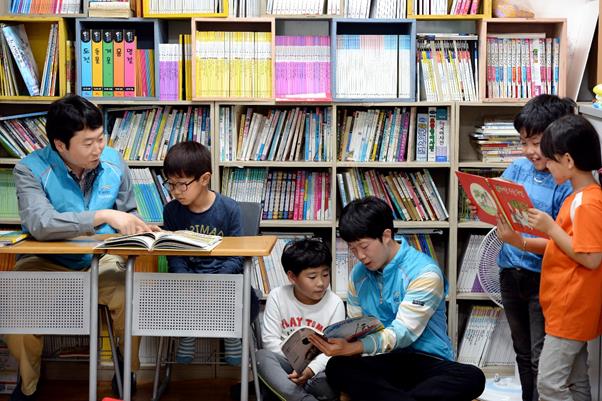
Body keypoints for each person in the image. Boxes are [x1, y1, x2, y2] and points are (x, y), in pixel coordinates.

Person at [5, 94, 155, 401]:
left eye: (100, 138)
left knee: (132, 293)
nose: (98, 148)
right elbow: (40, 223)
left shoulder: (114, 163)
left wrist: (139, 227)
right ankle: (28, 385)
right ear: (60, 145)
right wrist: (101, 215)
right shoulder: (29, 169)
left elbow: (129, 213)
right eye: (87, 143)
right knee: (15, 300)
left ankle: (125, 370)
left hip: (103, 260)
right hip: (44, 262)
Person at [310, 196, 485, 401]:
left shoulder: (424, 272)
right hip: (383, 361)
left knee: (472, 377)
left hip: (427, 361)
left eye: (364, 247)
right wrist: (344, 344)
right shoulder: (358, 276)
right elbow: (356, 329)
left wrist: (355, 347)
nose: (359, 256)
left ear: (386, 235)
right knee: (337, 366)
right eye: (352, 249)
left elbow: (403, 334)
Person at [491, 94, 575, 401]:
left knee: (542, 357)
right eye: (523, 142)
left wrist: (521, 241)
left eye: (535, 143)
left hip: (545, 279)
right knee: (522, 353)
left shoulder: (564, 181)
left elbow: (563, 243)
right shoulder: (517, 168)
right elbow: (496, 199)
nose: (528, 151)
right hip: (509, 271)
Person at [520, 114, 602, 401]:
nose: (546, 166)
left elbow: (591, 258)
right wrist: (521, 241)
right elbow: (564, 246)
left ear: (567, 160)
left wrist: (550, 226)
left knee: (550, 385)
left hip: (571, 308)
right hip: (566, 307)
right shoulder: (577, 197)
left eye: (549, 159)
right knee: (576, 381)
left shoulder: (587, 201)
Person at [161, 141, 258, 365]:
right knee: (168, 292)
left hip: (225, 279)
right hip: (189, 280)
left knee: (246, 296)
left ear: (204, 179)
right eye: (171, 184)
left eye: (182, 184)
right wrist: (186, 280)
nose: (175, 191)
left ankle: (231, 334)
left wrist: (218, 281)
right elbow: (174, 254)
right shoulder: (172, 211)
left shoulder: (229, 208)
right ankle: (188, 331)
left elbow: (237, 254)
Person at [255, 238, 345, 401]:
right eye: (312, 277)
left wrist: (309, 370)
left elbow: (332, 351)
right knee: (261, 357)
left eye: (325, 274)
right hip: (286, 365)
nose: (321, 283)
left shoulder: (335, 304)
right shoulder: (277, 296)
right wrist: (298, 364)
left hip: (317, 371)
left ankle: (289, 393)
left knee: (330, 376)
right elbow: (270, 341)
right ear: (292, 277)